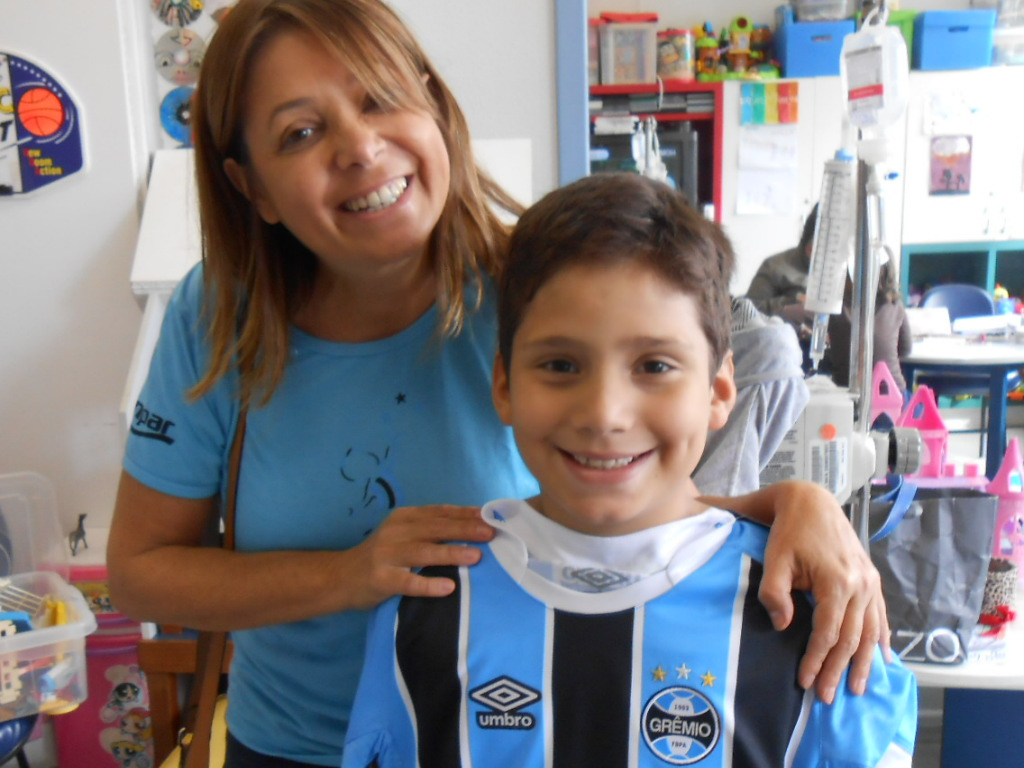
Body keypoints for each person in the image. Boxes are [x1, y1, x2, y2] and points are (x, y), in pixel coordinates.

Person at [106, 2, 887, 765]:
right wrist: (347, 576)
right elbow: (140, 574)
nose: (360, 147)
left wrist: (795, 504)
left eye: (381, 98)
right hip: (289, 746)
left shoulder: (539, 297)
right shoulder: (219, 315)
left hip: (492, 736)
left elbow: (622, 479)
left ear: (435, 106)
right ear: (254, 189)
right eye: (301, 132)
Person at [341, 173, 917, 768]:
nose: (604, 414)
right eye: (561, 364)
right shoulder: (426, 606)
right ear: (505, 384)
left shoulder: (813, 619)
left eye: (654, 365)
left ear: (720, 389)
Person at [826, 261, 912, 393]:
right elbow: (905, 349)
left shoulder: (835, 306)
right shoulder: (895, 304)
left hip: (847, 392)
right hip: (892, 391)